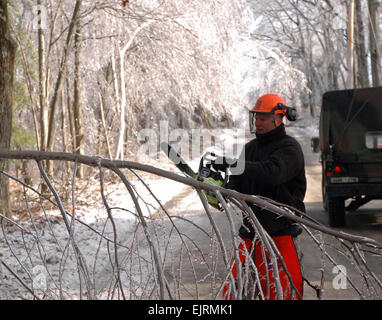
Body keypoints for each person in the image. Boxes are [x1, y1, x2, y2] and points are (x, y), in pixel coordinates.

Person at [214, 93, 306, 300]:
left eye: (263, 118)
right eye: (256, 117)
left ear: (278, 118)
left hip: (281, 233)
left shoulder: (290, 148)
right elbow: (237, 185)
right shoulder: (250, 149)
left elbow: (272, 173)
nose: (258, 122)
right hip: (250, 232)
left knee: (283, 293)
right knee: (233, 292)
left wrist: (233, 164)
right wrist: (220, 189)